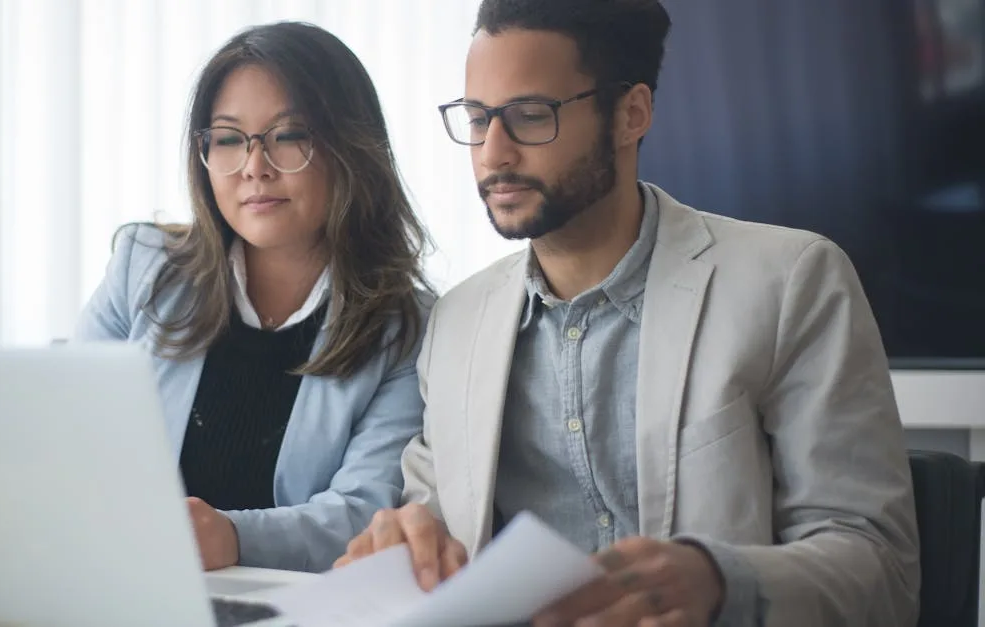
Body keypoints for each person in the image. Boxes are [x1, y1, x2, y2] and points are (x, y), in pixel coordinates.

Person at [335, 1, 920, 625]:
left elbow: (881, 570)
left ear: (631, 114)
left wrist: (719, 581)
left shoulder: (791, 282)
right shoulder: (456, 323)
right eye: (478, 119)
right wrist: (405, 546)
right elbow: (431, 530)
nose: (493, 153)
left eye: (530, 116)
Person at [75, 21, 434, 574]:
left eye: (288, 135)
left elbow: (365, 514)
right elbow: (69, 439)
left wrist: (234, 537)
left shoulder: (406, 329)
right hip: (123, 583)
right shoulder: (142, 269)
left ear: (350, 147)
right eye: (227, 138)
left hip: (290, 604)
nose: (254, 167)